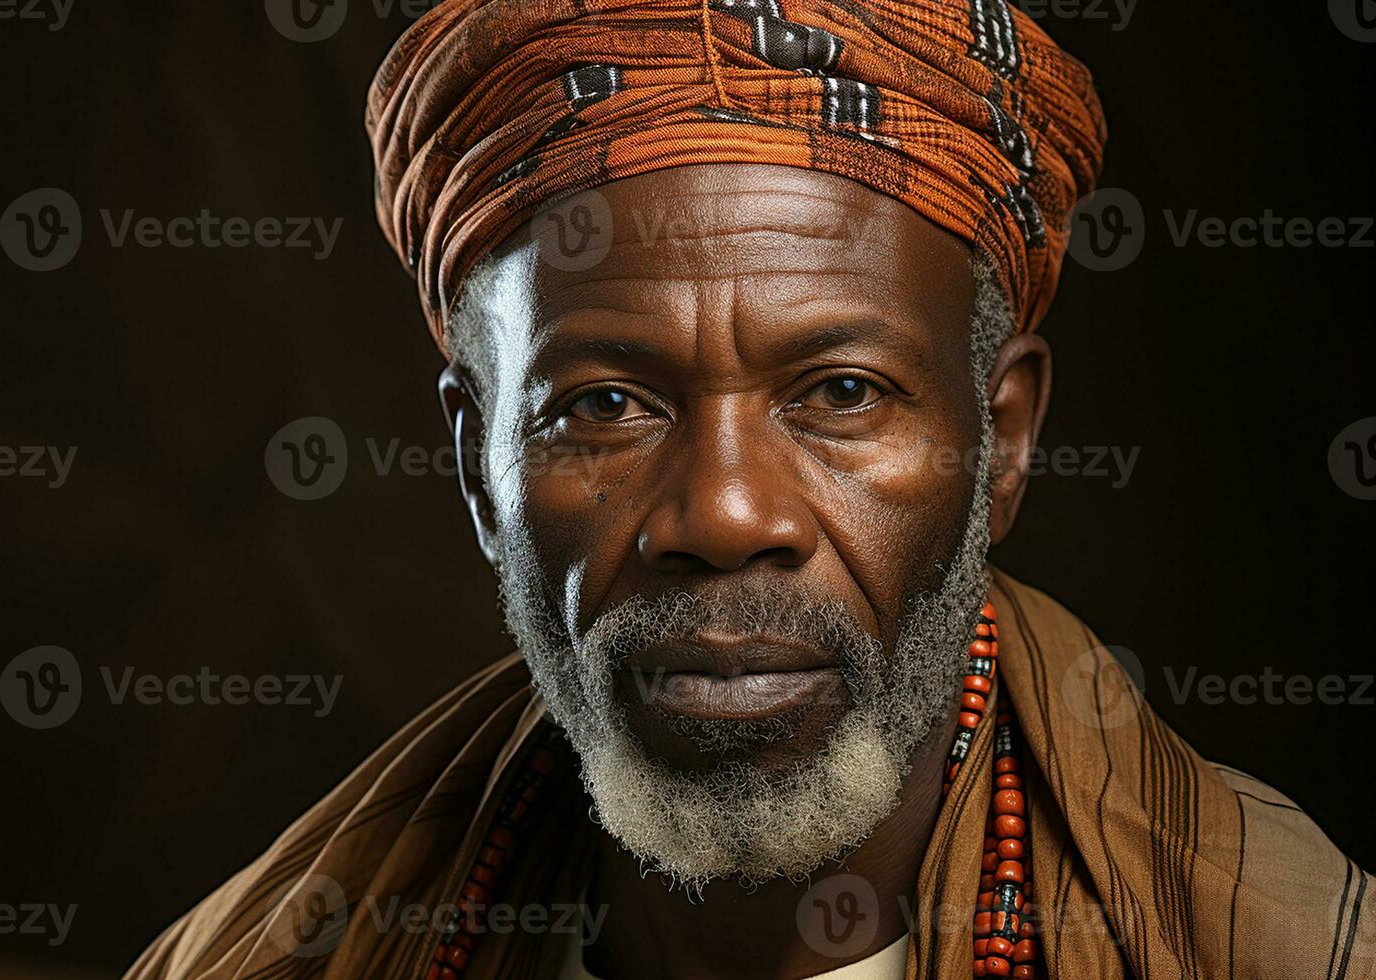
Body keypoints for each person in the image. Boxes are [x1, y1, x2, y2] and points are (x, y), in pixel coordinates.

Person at [127, 1, 1373, 977]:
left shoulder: (1280, 947)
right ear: (477, 467)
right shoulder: (268, 954)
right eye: (603, 406)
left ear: (1001, 436)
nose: (726, 516)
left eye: (840, 393)